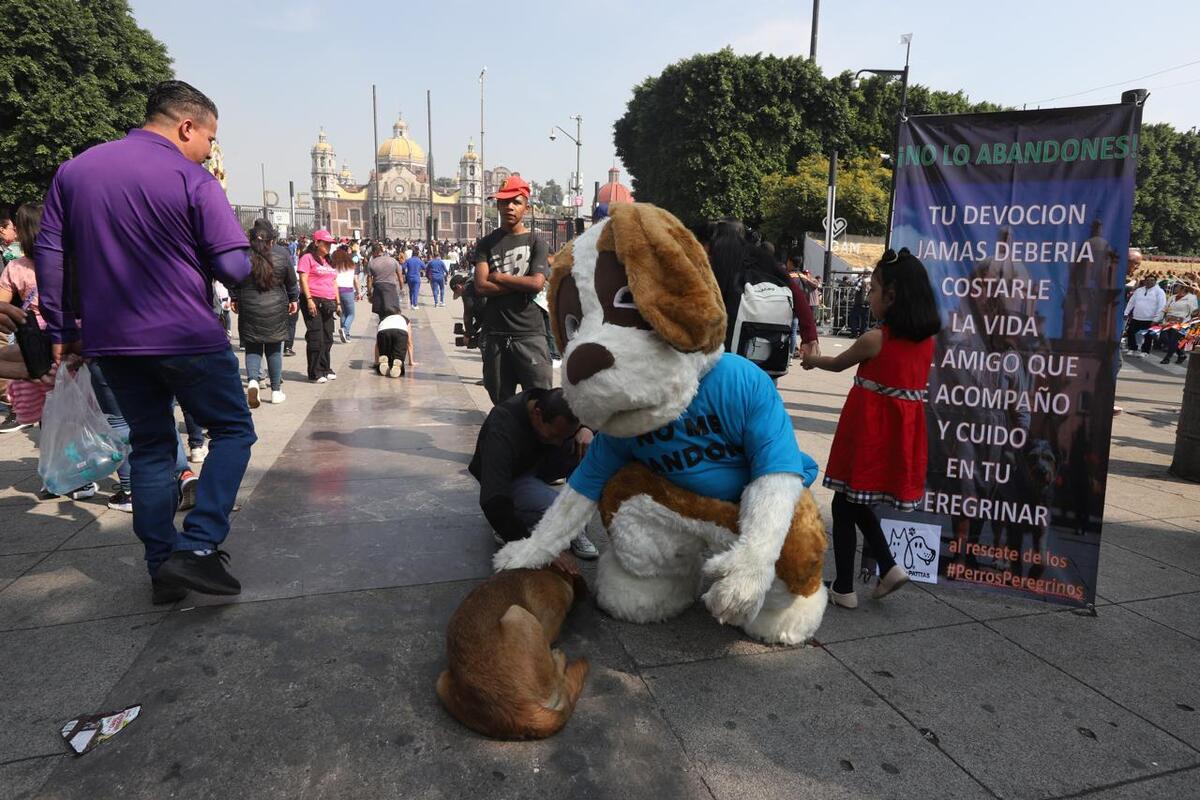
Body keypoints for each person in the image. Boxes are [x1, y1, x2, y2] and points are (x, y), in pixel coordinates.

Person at [34, 80, 256, 603]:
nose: (210, 151)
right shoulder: (193, 179)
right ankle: (198, 547)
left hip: (111, 341)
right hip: (186, 335)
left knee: (153, 447)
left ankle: (161, 567)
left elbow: (50, 252)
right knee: (232, 431)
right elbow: (235, 266)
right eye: (209, 139)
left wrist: (63, 331)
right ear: (187, 126)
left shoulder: (76, 170)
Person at [802, 248, 941, 608]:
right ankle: (888, 567)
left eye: (874, 290)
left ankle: (845, 588)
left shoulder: (876, 339)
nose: (869, 296)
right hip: (897, 439)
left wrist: (811, 360)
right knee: (853, 505)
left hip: (867, 436)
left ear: (893, 296)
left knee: (845, 503)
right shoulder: (928, 343)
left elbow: (836, 364)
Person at [468, 387, 598, 558]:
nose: (559, 443)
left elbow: (599, 415)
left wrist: (586, 429)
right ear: (537, 414)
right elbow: (493, 499)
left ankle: (575, 529)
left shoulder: (552, 405)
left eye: (565, 434)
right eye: (554, 435)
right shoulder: (501, 427)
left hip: (540, 462)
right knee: (560, 509)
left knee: (585, 447)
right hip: (515, 476)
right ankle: (512, 523)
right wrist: (529, 546)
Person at [473, 176, 553, 404]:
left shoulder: (536, 242)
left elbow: (537, 283)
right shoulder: (486, 244)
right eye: (504, 202)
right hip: (495, 335)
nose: (509, 207)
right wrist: (520, 283)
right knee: (501, 401)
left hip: (530, 334)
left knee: (540, 402)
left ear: (526, 208)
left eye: (516, 202)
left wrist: (498, 277)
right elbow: (480, 286)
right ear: (497, 206)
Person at [230, 219, 297, 406]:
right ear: (272, 239)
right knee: (275, 349)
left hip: (249, 306)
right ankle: (276, 391)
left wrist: (234, 298)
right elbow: (291, 281)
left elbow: (234, 279)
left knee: (253, 347)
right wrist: (293, 299)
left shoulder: (243, 255)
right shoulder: (282, 254)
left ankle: (253, 381)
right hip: (276, 307)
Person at [297, 229, 339, 382]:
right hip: (312, 299)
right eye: (326, 243)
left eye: (330, 244)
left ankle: (325, 367)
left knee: (328, 337)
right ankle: (315, 372)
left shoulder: (329, 261)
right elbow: (303, 278)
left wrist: (338, 302)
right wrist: (308, 299)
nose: (329, 246)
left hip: (328, 301)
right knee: (316, 337)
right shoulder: (307, 258)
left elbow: (334, 282)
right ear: (317, 243)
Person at [1124, 274, 1166, 356]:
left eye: (1152, 280)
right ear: (1145, 281)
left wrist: (1156, 318)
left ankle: (1145, 351)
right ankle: (1132, 348)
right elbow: (1131, 302)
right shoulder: (1139, 290)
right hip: (1137, 316)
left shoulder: (1159, 292)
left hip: (1150, 318)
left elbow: (1161, 306)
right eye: (1148, 280)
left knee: (1148, 335)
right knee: (1130, 332)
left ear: (1155, 281)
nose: (1150, 282)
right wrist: (1126, 312)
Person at [367, 242, 403, 319]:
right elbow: (400, 276)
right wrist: (401, 288)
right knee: (394, 312)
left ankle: (382, 326)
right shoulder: (393, 260)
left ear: (374, 252)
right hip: (391, 288)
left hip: (378, 288)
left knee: (381, 313)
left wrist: (369, 293)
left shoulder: (371, 263)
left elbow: (369, 280)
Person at [375, 310, 414, 377]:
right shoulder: (404, 319)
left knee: (385, 355)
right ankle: (397, 363)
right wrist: (411, 361)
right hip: (400, 333)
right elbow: (409, 342)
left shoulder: (383, 319)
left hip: (383, 332)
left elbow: (377, 344)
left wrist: (377, 362)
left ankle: (384, 361)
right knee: (398, 356)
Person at [333, 247, 358, 342]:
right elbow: (355, 279)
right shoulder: (351, 265)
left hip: (337, 290)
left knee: (342, 313)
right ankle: (345, 329)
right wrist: (358, 292)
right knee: (351, 314)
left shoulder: (335, 266)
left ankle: (346, 335)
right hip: (348, 290)